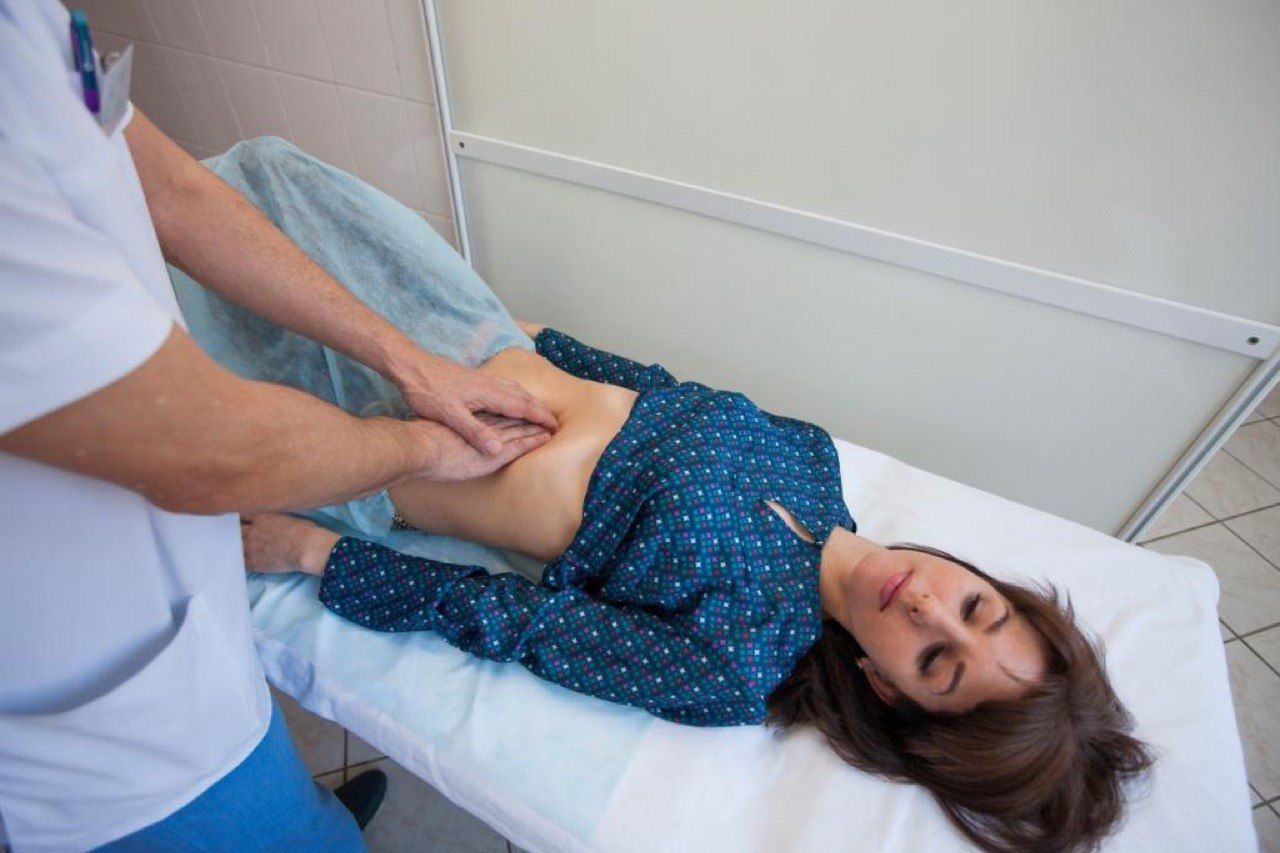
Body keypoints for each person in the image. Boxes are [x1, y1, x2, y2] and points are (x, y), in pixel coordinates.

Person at [204, 142, 1154, 850]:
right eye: (976, 606)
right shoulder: (814, 460)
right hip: (458, 323)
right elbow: (660, 388)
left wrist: (316, 554)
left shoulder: (740, 664)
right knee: (261, 172)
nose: (929, 607)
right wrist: (542, 340)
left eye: (936, 660)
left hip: (372, 434)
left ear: (886, 687)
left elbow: (515, 621)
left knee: (171, 289)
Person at [0, 1, 556, 850]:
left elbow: (175, 190)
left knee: (278, 791)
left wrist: (409, 362)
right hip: (97, 697)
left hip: (182, 572)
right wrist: (414, 454)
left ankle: (311, 816)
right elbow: (211, 449)